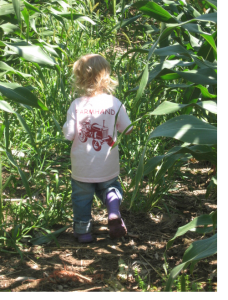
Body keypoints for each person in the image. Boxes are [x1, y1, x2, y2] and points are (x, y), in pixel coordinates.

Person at [63, 54, 133, 243]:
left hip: (82, 167)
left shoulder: (76, 105)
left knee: (81, 199)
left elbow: (68, 134)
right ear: (106, 76)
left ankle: (83, 232)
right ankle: (112, 209)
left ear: (79, 79)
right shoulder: (114, 103)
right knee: (110, 188)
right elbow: (128, 129)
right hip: (107, 164)